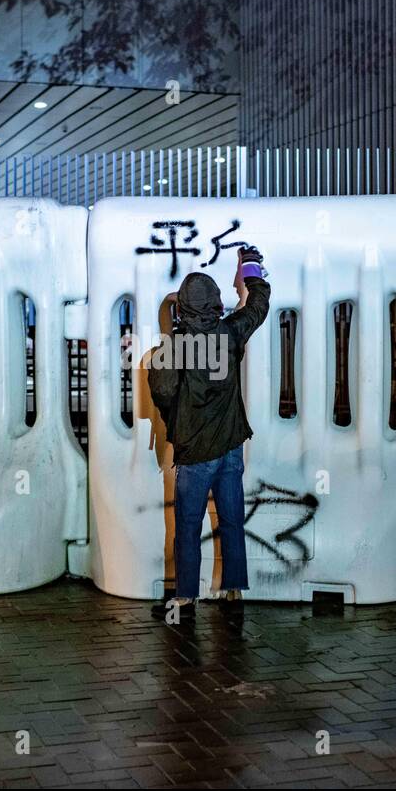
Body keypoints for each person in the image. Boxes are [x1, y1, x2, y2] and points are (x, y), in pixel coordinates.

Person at [148, 245, 270, 617]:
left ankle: (185, 599)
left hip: (196, 455)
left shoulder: (174, 348)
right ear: (217, 302)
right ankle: (233, 591)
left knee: (187, 526)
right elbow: (257, 305)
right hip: (231, 447)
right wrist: (250, 265)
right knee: (231, 519)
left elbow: (163, 392)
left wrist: (177, 422)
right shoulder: (232, 333)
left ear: (183, 309)